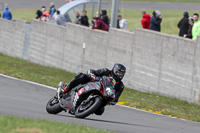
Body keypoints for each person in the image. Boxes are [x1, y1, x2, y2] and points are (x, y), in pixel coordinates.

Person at [59, 63, 126, 114]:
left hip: (104, 95)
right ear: (114, 70)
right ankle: (66, 89)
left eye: (121, 74)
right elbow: (93, 71)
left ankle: (86, 107)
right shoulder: (106, 71)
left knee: (100, 111)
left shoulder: (120, 86)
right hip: (93, 84)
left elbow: (116, 97)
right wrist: (92, 75)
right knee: (81, 76)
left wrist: (113, 101)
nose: (120, 75)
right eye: (119, 73)